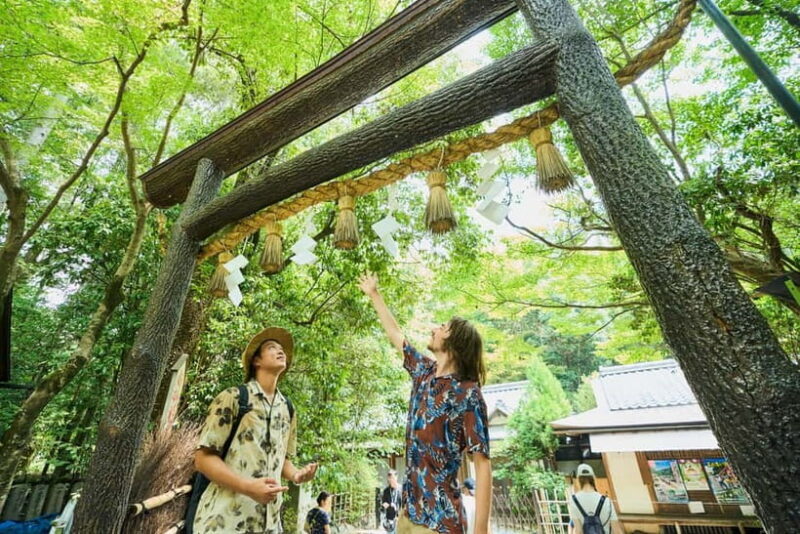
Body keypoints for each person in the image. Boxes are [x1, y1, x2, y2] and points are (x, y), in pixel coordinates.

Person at [359, 273, 492, 534]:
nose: (433, 328)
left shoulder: (468, 394)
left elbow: (482, 464)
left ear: (454, 343)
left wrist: (481, 531)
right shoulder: (424, 372)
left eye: (441, 327)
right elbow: (397, 335)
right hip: (408, 516)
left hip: (441, 523)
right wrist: (374, 294)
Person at [193, 326, 319, 533]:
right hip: (224, 522)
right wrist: (247, 487)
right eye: (271, 347)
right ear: (256, 361)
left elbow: (282, 460)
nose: (280, 351)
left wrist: (297, 475)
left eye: (281, 349)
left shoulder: (287, 408)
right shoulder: (233, 398)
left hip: (268, 524)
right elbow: (203, 459)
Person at [567, 464, 624, 534]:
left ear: (578, 480)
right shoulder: (607, 501)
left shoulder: (573, 501)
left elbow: (578, 531)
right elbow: (617, 531)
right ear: (594, 479)